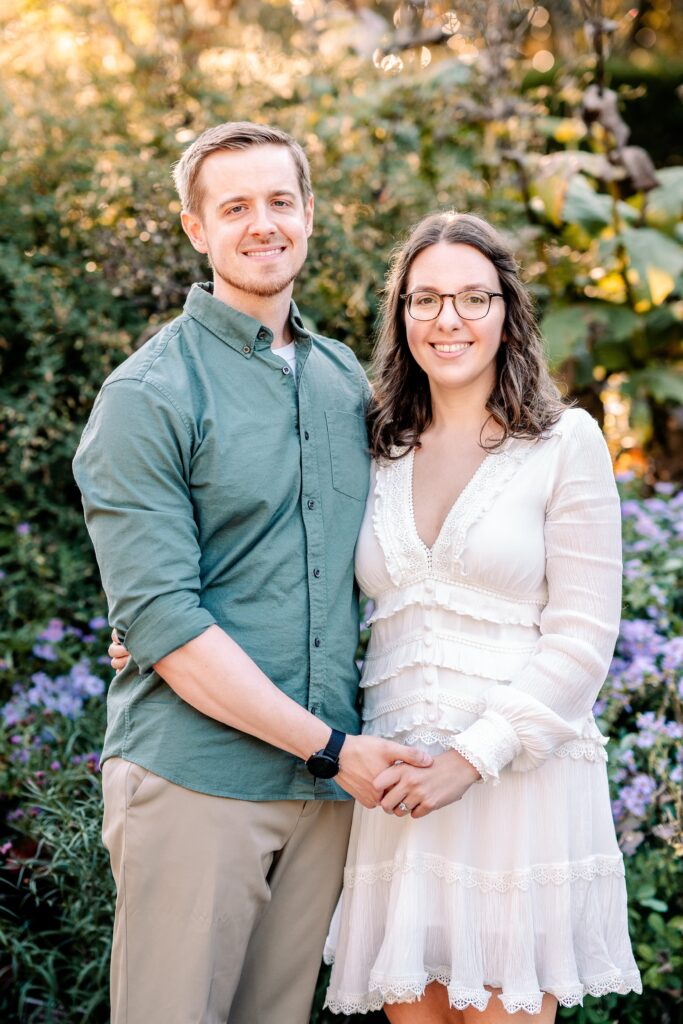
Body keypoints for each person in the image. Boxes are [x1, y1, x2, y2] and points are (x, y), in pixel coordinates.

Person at [72, 121, 431, 1024]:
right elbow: (167, 624)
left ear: (308, 216)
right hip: (199, 784)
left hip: (324, 797)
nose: (261, 223)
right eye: (234, 207)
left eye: (279, 202)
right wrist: (330, 748)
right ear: (197, 230)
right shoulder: (146, 396)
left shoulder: (345, 379)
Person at [320, 212, 642, 1022]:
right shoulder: (374, 446)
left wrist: (468, 759)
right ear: (401, 318)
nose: (448, 321)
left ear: (507, 313)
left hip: (514, 788)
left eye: (472, 298)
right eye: (424, 300)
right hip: (397, 793)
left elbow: (582, 639)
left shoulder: (563, 443)